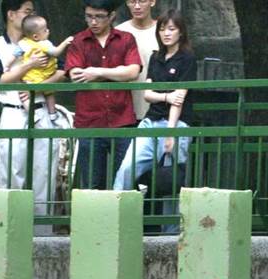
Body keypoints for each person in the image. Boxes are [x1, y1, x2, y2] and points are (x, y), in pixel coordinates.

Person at [0, 0, 67, 221]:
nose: (32, 16)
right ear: (11, 15)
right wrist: (28, 66)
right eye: (27, 11)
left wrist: (37, 86)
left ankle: (43, 234)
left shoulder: (43, 41)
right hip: (12, 110)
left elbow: (62, 71)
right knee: (11, 170)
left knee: (45, 172)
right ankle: (8, 227)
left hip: (40, 107)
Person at [113, 8, 196, 212]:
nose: (166, 33)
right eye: (162, 29)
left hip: (176, 124)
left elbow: (180, 99)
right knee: (127, 168)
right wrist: (166, 96)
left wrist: (170, 132)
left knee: (171, 180)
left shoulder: (187, 58)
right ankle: (115, 213)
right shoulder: (156, 57)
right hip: (150, 121)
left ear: (181, 32)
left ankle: (171, 234)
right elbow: (147, 94)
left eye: (171, 29)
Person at [65, 0, 141, 189]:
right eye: (89, 16)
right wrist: (117, 73)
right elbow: (75, 74)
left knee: (124, 183)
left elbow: (132, 71)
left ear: (112, 16)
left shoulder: (126, 39)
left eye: (99, 17)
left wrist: (97, 72)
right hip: (89, 121)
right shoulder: (79, 41)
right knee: (91, 184)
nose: (93, 22)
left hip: (122, 120)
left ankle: (123, 219)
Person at [17, 14, 73, 120]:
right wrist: (65, 43)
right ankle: (52, 114)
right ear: (35, 36)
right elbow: (56, 52)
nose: (48, 31)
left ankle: (33, 115)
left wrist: (7, 65)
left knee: (24, 97)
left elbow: (15, 54)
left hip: (32, 77)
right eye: (45, 30)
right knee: (49, 94)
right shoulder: (44, 44)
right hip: (43, 75)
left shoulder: (23, 43)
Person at [116, 0, 159, 122]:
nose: (137, 6)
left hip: (158, 108)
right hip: (126, 110)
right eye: (132, 2)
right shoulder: (119, 32)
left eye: (142, 1)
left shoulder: (164, 31)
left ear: (152, 2)